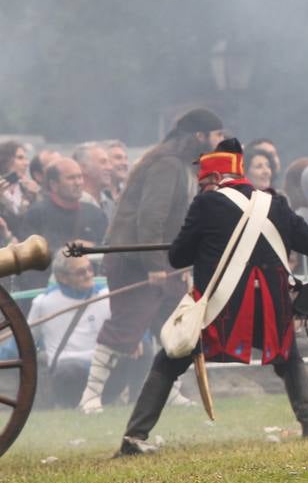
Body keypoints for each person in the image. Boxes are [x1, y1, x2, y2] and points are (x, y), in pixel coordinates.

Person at [116, 139, 308, 455]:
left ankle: (134, 436)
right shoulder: (276, 203)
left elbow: (177, 257)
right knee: (289, 359)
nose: (201, 189)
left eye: (203, 182)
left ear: (214, 179)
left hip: (221, 310)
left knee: (169, 359)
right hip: (270, 308)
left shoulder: (205, 205)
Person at [79, 107, 225, 414]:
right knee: (125, 328)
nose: (220, 141)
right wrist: (156, 266)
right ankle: (89, 397)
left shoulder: (182, 165)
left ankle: (169, 391)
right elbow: (151, 219)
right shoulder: (167, 165)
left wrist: (176, 265)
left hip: (160, 261)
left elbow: (176, 223)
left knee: (173, 327)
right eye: (216, 135)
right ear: (200, 136)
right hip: (136, 260)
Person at [28, 253, 110, 408]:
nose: (88, 275)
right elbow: (26, 340)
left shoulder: (106, 295)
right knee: (70, 369)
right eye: (81, 272)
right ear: (62, 277)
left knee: (142, 350)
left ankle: (127, 402)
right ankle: (70, 405)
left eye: (90, 269)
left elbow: (125, 324)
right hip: (67, 367)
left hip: (102, 363)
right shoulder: (43, 303)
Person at [18, 158, 109, 290]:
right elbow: (29, 256)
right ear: (54, 184)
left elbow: (109, 248)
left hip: (91, 288)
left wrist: (92, 247)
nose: (78, 183)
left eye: (80, 177)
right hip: (50, 289)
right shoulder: (37, 214)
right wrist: (66, 251)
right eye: (71, 178)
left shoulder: (95, 214)